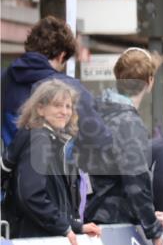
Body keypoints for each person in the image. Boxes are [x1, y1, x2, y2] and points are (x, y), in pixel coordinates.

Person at [0, 79, 101, 245]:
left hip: (41, 240)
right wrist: (64, 227)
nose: (65, 112)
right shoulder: (40, 140)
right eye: (57, 105)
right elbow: (32, 195)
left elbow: (52, 199)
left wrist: (76, 227)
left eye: (68, 106)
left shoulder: (49, 140)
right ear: (40, 109)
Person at [82, 48, 163, 245]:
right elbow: (136, 182)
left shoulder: (94, 111)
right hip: (113, 222)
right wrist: (153, 228)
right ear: (150, 81)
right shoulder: (128, 122)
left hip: (89, 216)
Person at [1, 16, 111, 153]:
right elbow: (100, 140)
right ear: (61, 56)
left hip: (9, 162)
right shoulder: (69, 88)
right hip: (53, 165)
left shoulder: (4, 78)